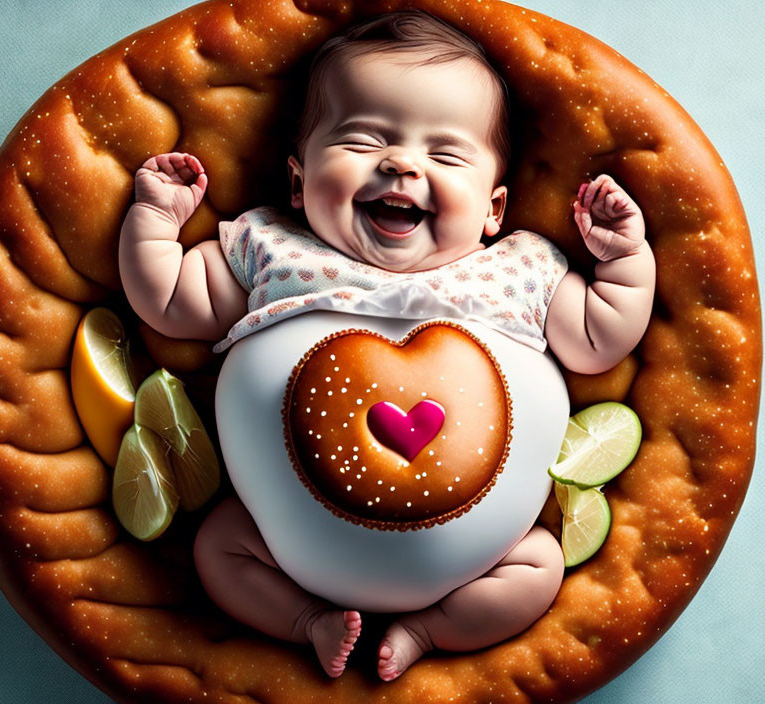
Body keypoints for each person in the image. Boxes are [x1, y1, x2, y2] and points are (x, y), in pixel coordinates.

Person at [118, 11, 655, 682]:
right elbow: (170, 302)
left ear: (493, 211)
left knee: (538, 566)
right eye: (363, 139)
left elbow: (601, 338)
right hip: (284, 553)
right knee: (219, 548)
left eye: (446, 153)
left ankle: (427, 631)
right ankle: (304, 620)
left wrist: (625, 259)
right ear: (298, 182)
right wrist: (154, 222)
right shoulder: (274, 250)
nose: (401, 163)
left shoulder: (520, 269)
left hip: (483, 562)